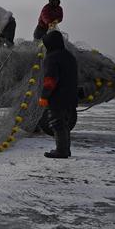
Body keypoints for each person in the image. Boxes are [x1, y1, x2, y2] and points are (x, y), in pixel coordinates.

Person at [39, 30, 78, 159]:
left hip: (58, 97)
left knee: (57, 124)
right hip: (71, 96)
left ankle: (61, 151)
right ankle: (66, 149)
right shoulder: (69, 56)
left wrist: (45, 96)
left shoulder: (52, 57)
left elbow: (50, 79)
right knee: (65, 124)